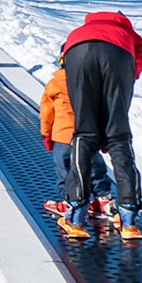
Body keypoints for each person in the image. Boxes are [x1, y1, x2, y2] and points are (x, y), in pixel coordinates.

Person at [58, 11, 142, 241]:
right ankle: (129, 219)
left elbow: (64, 58)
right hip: (120, 56)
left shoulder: (80, 31)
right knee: (118, 136)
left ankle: (75, 215)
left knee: (84, 133)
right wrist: (126, 79)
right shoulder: (128, 32)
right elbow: (139, 57)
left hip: (78, 53)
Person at [40, 56, 116, 224]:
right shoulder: (92, 83)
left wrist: (46, 133)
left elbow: (47, 113)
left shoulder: (55, 84)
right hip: (88, 134)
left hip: (62, 136)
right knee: (94, 166)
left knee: (65, 169)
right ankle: (103, 199)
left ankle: (69, 201)